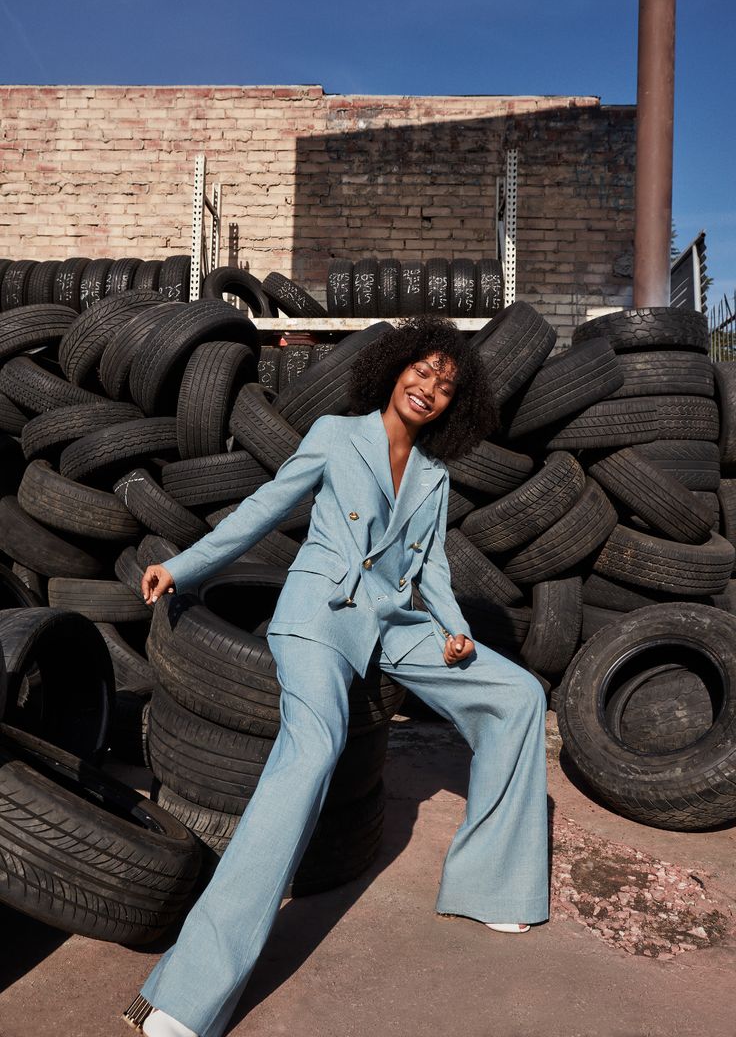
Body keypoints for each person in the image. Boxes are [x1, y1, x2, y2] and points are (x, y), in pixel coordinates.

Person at [122, 315, 549, 1037]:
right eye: (423, 370)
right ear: (395, 367)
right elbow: (262, 510)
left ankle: (490, 883)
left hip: (394, 624)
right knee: (314, 751)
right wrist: (183, 565)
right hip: (318, 617)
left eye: (447, 386)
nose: (430, 388)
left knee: (519, 694)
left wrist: (454, 634)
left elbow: (433, 572)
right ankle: (185, 994)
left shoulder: (435, 477)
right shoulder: (333, 433)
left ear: (455, 405)